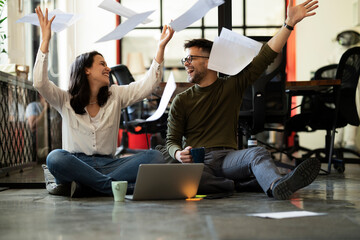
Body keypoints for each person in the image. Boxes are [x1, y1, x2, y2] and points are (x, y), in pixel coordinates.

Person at [166, 0, 321, 200]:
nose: (185, 64)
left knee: (257, 153)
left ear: (209, 61)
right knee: (184, 177)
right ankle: (241, 185)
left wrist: (288, 24)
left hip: (229, 159)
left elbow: (265, 56)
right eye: (184, 60)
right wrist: (178, 153)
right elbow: (171, 141)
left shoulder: (232, 85)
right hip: (199, 162)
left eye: (190, 59)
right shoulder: (182, 100)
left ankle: (275, 185)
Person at [33, 7, 174, 197]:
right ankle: (112, 187)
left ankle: (88, 186)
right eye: (102, 64)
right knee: (55, 157)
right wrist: (45, 41)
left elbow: (148, 85)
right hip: (76, 163)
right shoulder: (64, 99)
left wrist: (160, 48)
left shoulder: (115, 95)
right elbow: (40, 82)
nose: (108, 68)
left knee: (155, 156)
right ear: (86, 70)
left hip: (110, 164)